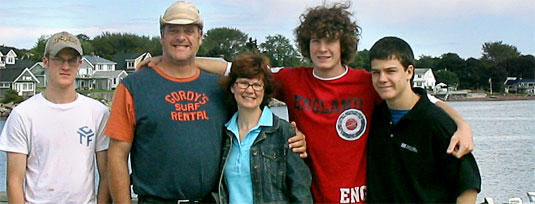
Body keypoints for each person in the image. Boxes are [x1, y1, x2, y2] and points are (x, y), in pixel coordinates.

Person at [140, 3, 474, 203]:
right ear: (306, 44)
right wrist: (165, 60)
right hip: (310, 196)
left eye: (330, 41)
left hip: (360, 198)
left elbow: (423, 101)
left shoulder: (366, 80)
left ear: (344, 45)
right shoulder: (292, 79)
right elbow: (234, 69)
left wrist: (462, 125)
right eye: (316, 41)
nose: (323, 48)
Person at [105, 2, 306, 203]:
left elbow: (253, 126)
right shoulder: (133, 86)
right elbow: (117, 156)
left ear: (200, 37)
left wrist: (290, 137)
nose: (181, 37)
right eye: (173, 30)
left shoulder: (219, 87)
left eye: (189, 31)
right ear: (162, 36)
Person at [366, 36, 481, 203]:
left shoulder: (436, 121)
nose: (382, 79)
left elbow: (467, 185)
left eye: (391, 71)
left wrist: (462, 125)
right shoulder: (375, 117)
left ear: (409, 72)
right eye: (376, 72)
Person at [0, 31, 111, 203]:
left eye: (72, 60)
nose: (65, 66)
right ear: (46, 61)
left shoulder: (98, 113)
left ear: (79, 64)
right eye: (59, 59)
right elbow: (14, 181)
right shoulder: (22, 114)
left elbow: (106, 175)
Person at [216, 52, 312, 203]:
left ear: (265, 90)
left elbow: (301, 193)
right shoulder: (224, 134)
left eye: (257, 85)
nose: (249, 90)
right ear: (232, 87)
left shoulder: (284, 133)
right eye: (243, 83)